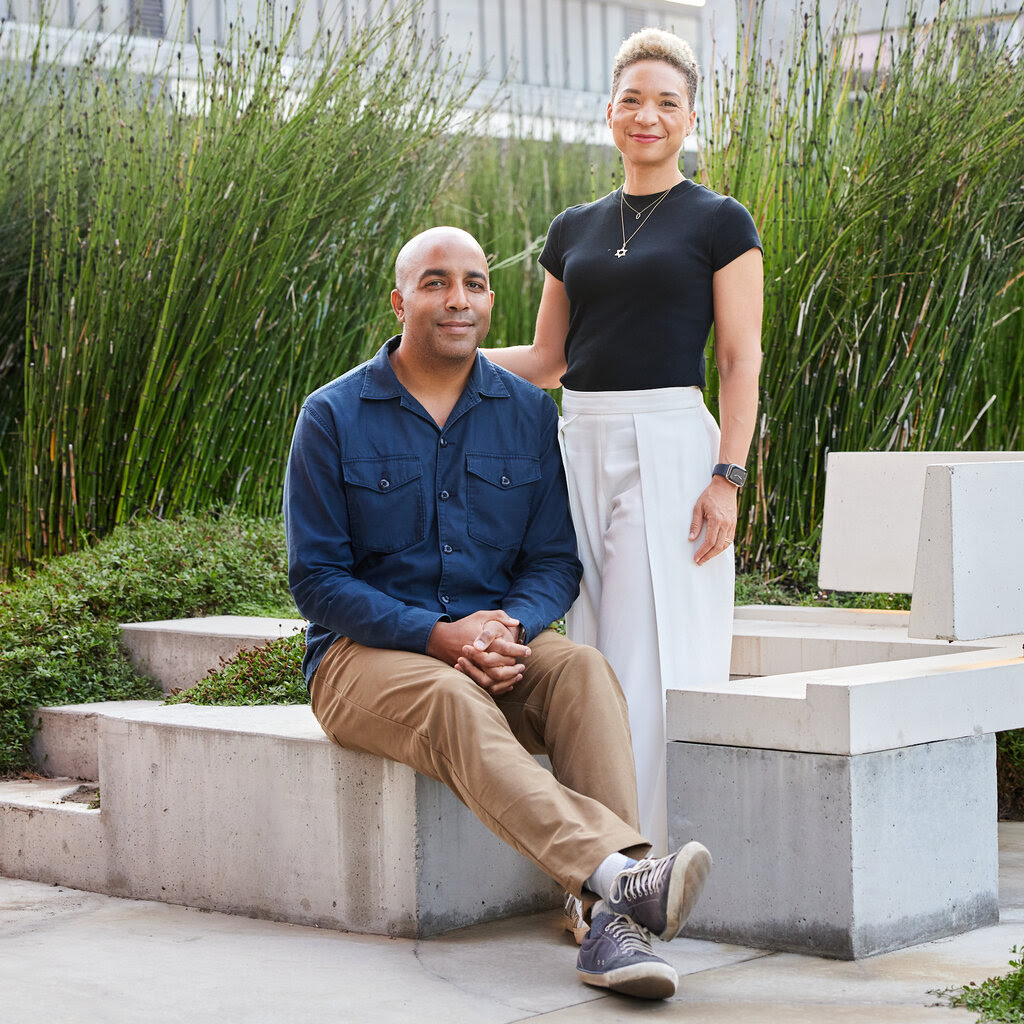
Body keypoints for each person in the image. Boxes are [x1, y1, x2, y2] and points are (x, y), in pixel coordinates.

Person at [283, 225, 712, 1000]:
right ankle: (622, 878)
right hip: (361, 661)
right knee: (448, 692)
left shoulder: (522, 412)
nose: (459, 300)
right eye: (437, 282)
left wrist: (509, 625)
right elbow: (317, 580)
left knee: (579, 668)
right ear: (400, 300)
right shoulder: (333, 415)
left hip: (491, 643)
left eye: (475, 283)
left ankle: (608, 925)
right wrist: (439, 637)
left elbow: (554, 560)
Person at [483, 28, 764, 857]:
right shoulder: (572, 227)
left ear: (688, 119)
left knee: (644, 657)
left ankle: (635, 864)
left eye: (667, 102)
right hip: (579, 440)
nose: (648, 115)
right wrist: (433, 359)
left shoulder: (720, 220)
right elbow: (547, 359)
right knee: (594, 654)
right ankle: (600, 864)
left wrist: (728, 476)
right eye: (633, 100)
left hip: (672, 445)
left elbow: (742, 359)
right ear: (610, 112)